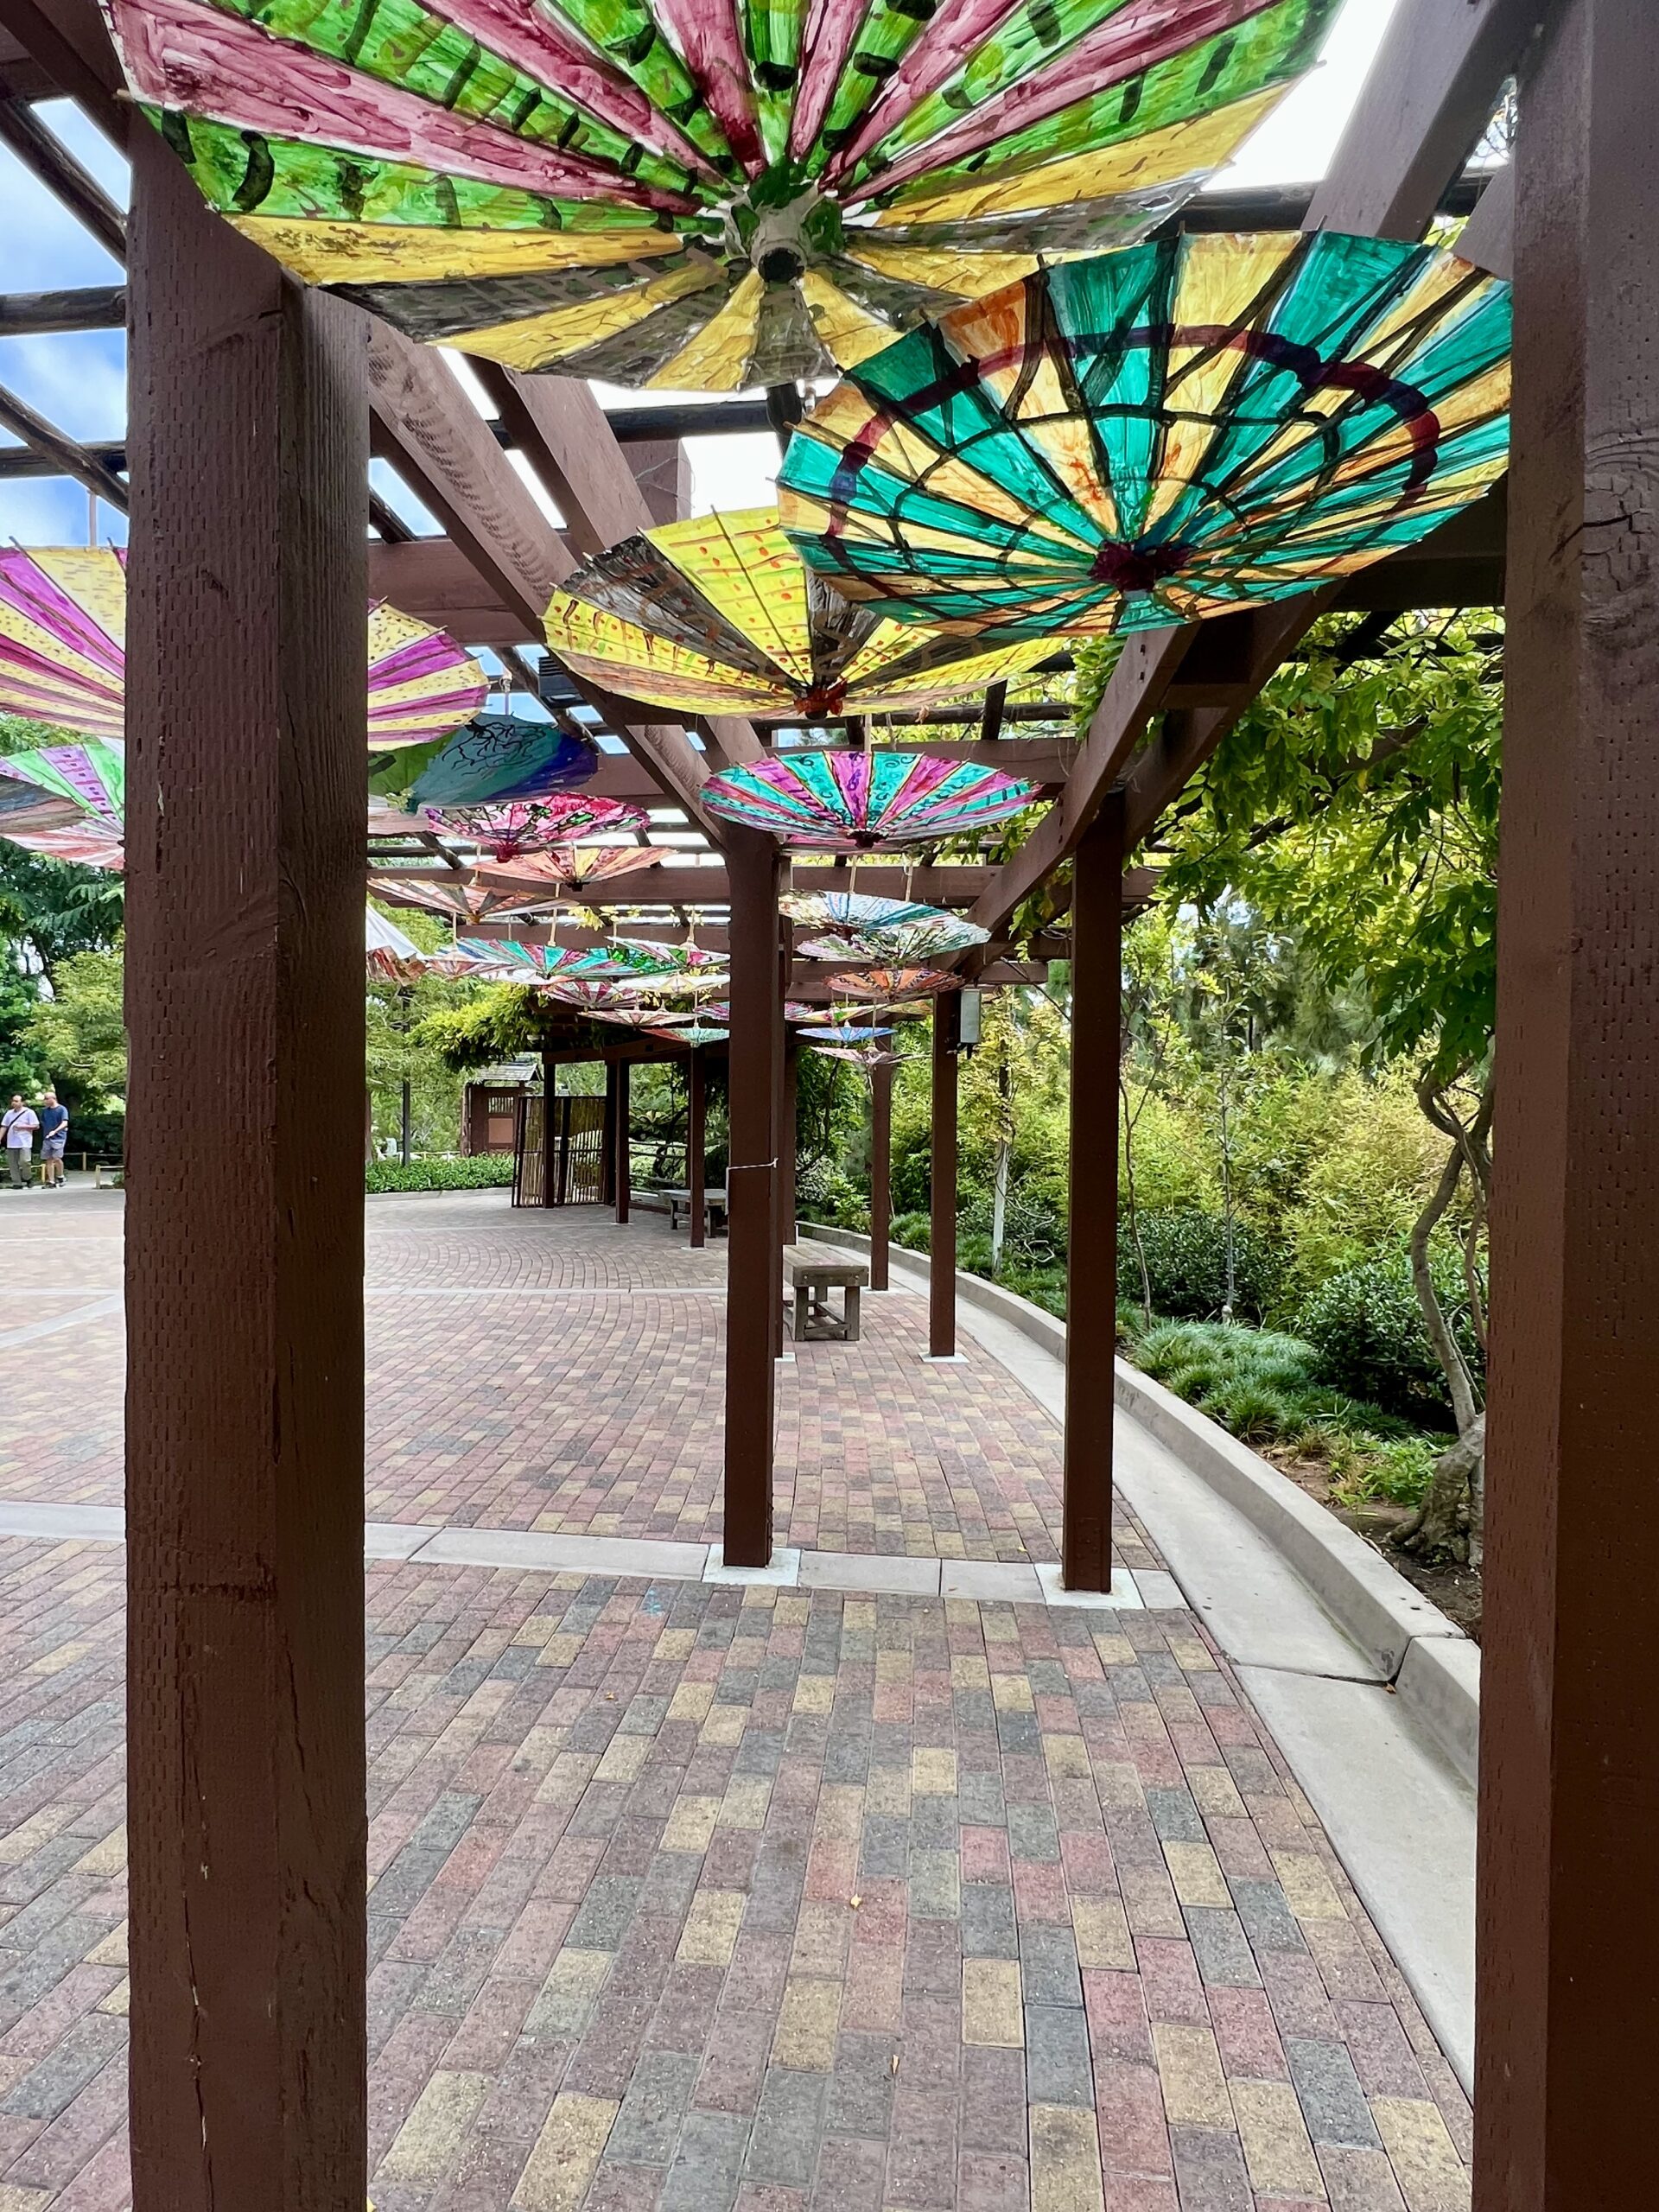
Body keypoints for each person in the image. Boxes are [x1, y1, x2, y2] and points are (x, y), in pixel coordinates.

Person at [2, 1094, 38, 1190]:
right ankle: (17, 1183)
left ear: (22, 1102)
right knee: (12, 1163)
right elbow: (4, 1126)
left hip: (24, 1142)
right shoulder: (9, 1113)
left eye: (17, 1101)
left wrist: (23, 1127)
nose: (14, 1103)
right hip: (11, 1142)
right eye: (13, 1101)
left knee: (25, 1161)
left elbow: (36, 1126)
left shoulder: (29, 1112)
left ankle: (27, 1178)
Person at [37, 1090, 67, 1188]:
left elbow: (65, 1123)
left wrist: (55, 1131)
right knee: (48, 1159)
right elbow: (42, 1122)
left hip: (59, 1138)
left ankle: (61, 1176)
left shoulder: (62, 1109)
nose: (44, 1101)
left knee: (57, 1158)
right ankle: (51, 1181)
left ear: (53, 1099)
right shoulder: (45, 1111)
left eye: (46, 1099)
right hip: (47, 1138)